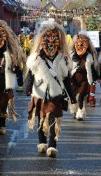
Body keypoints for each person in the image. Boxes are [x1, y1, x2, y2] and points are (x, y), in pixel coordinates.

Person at [25, 20, 76, 158]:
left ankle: (52, 145)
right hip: (40, 94)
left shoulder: (63, 59)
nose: (51, 41)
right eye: (47, 37)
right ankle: (42, 142)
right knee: (41, 120)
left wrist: (72, 96)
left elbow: (66, 79)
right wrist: (28, 88)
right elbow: (30, 75)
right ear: (42, 39)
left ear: (60, 40)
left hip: (56, 95)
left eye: (55, 38)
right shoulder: (35, 58)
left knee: (54, 120)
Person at [0, 18, 25, 138]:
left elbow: (17, 66)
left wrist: (15, 68)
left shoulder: (10, 54)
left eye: (0, 36)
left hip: (4, 85)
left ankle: (2, 125)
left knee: (3, 106)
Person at [69, 33, 99, 120]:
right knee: (74, 96)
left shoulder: (90, 56)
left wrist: (93, 79)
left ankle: (81, 112)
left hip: (85, 80)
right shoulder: (71, 55)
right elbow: (68, 67)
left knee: (81, 95)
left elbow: (94, 69)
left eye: (83, 43)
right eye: (77, 43)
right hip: (73, 79)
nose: (80, 45)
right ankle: (74, 109)